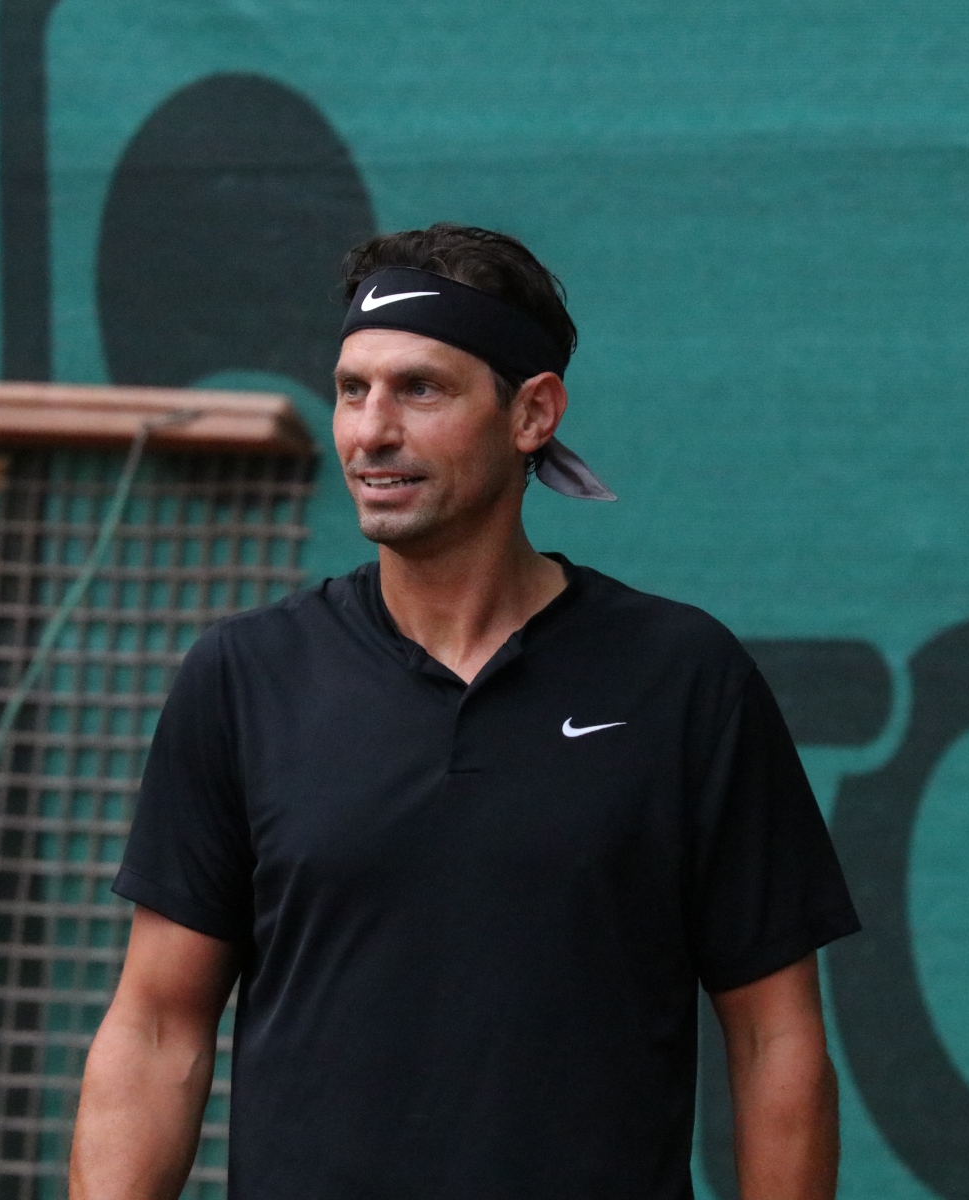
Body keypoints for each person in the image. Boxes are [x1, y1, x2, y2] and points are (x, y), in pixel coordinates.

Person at [70, 223, 860, 1200]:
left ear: (532, 413)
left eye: (420, 390)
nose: (370, 431)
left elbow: (776, 1038)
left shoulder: (684, 677)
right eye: (351, 389)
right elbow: (156, 1029)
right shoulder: (242, 676)